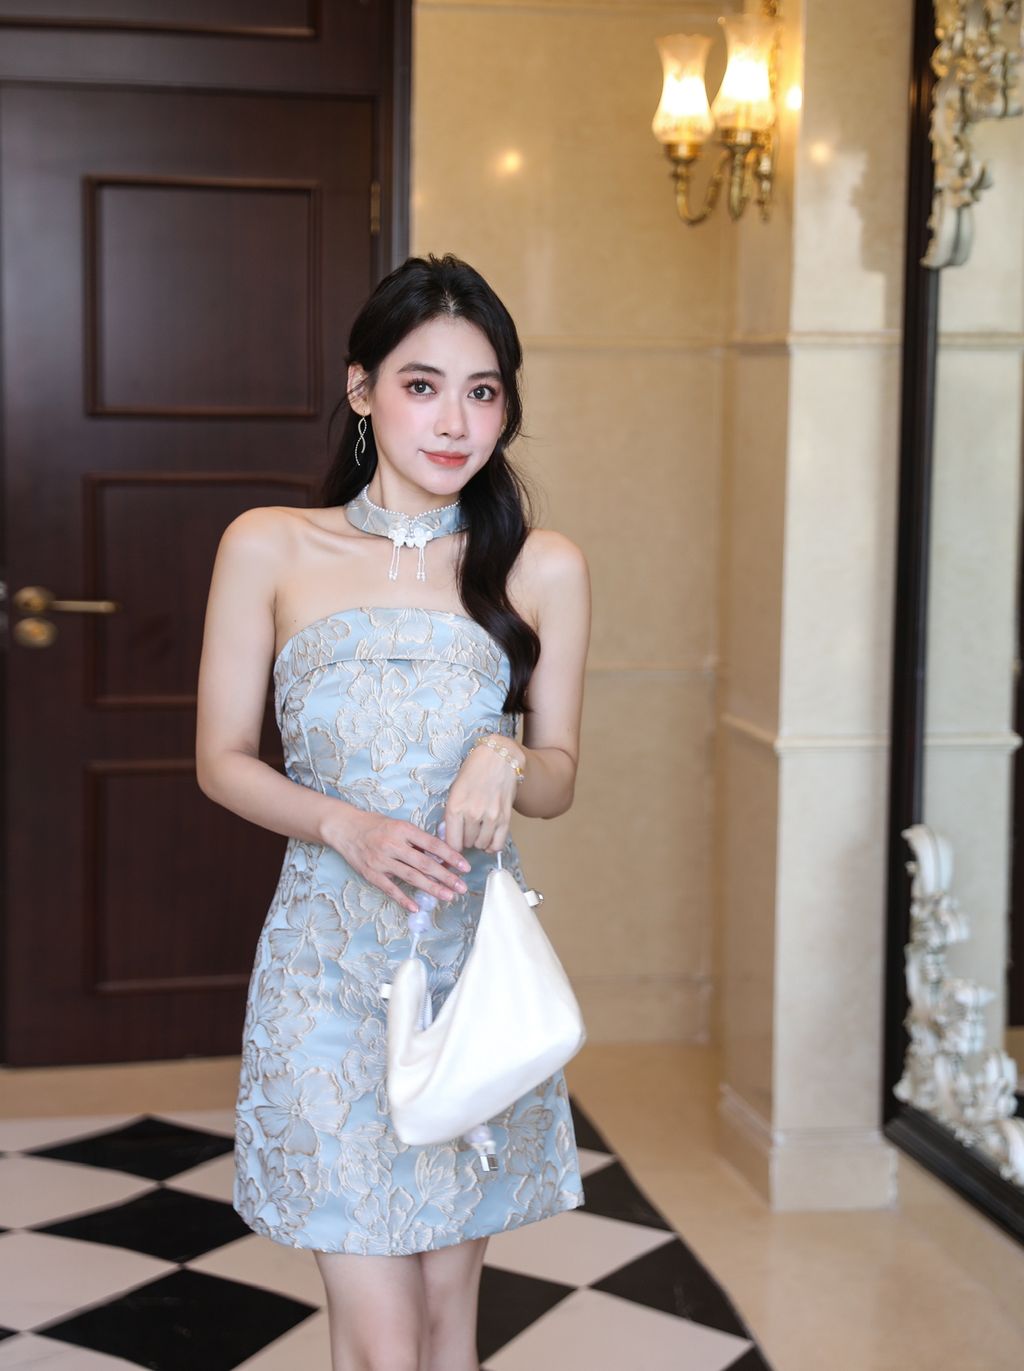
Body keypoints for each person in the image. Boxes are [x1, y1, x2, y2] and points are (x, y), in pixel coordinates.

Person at [195, 252, 592, 1371]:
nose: (456, 421)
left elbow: (560, 778)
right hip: (322, 974)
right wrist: (344, 825)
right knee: (379, 1341)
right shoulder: (270, 544)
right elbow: (221, 761)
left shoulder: (541, 567)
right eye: (423, 385)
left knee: (443, 1326)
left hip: (466, 975)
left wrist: (504, 753)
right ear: (362, 389)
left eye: (483, 391)